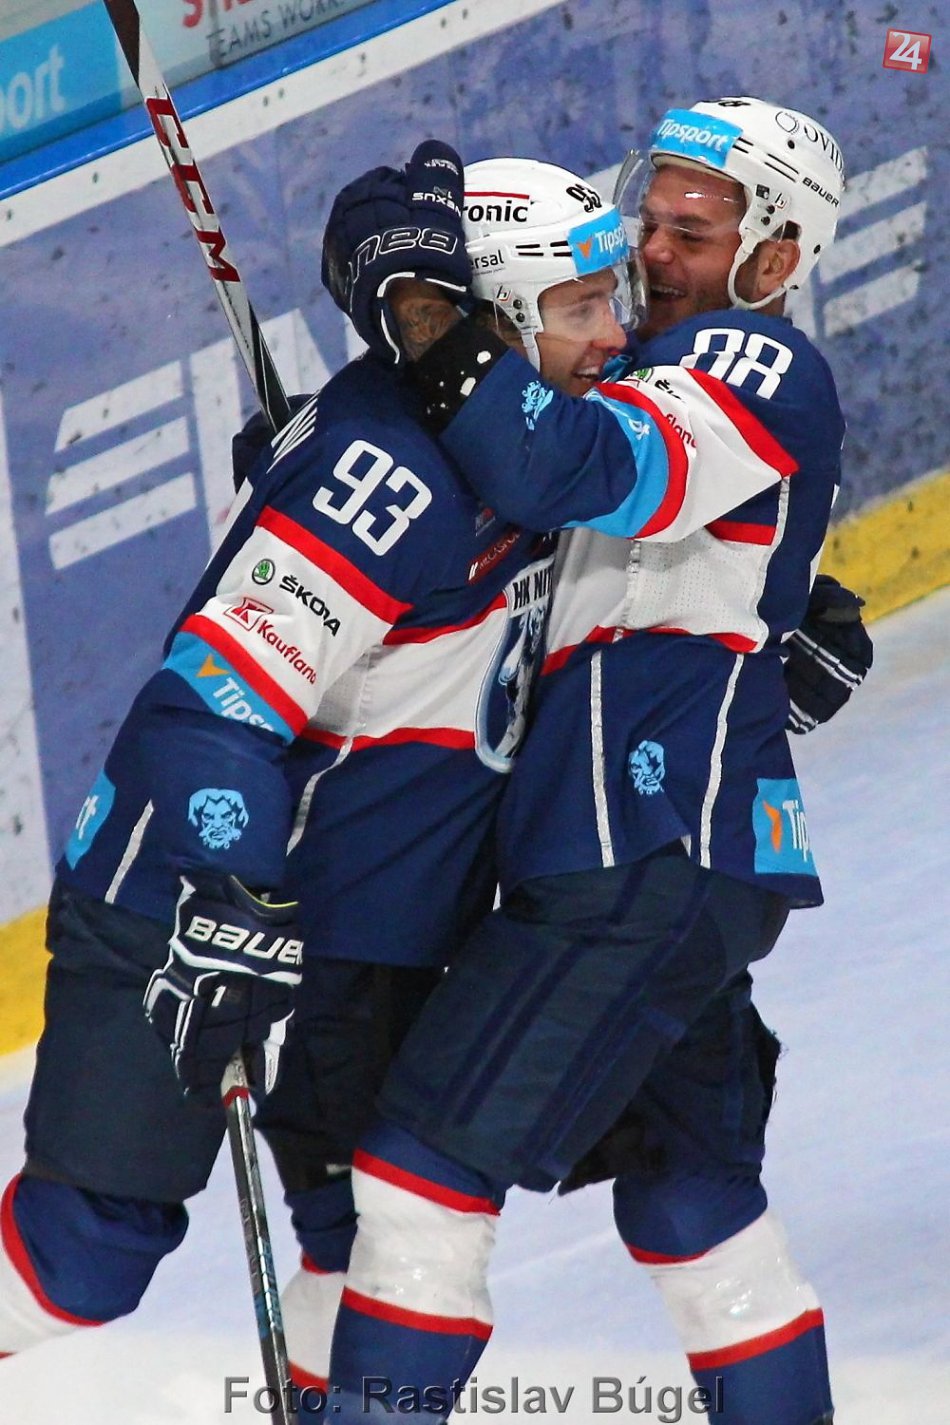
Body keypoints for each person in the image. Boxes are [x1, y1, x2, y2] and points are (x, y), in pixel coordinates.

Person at [0, 125, 866, 1419]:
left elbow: (633, 577)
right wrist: (227, 882)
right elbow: (205, 704)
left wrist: (776, 625)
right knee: (90, 1252)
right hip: (188, 901)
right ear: (499, 317)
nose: (615, 332)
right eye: (579, 306)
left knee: (359, 1237)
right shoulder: (387, 475)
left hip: (369, 935)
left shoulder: (534, 440)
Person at [318, 100, 853, 1425]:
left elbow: (575, 471)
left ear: (778, 258)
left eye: (694, 234)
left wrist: (423, 319)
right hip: (659, 856)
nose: (655, 252)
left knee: (420, 1175)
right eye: (648, 219)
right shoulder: (626, 360)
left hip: (642, 855)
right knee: (691, 1196)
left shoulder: (753, 359)